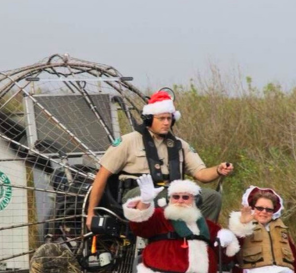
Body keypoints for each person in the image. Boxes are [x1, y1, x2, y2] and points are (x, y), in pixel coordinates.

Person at [86, 90, 234, 229]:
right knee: (168, 196)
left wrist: (218, 170)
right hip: (136, 193)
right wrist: (91, 213)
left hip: (171, 192)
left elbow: (201, 174)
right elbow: (102, 177)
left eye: (169, 118)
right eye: (161, 118)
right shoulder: (128, 142)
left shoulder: (179, 145)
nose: (166, 123)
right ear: (149, 119)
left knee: (212, 198)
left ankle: (200, 238)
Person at [123, 175, 246, 273]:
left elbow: (225, 257)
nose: (180, 201)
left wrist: (232, 236)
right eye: (176, 197)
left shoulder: (208, 226)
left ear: (194, 200)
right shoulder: (159, 218)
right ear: (170, 199)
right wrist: (145, 202)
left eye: (185, 197)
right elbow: (140, 224)